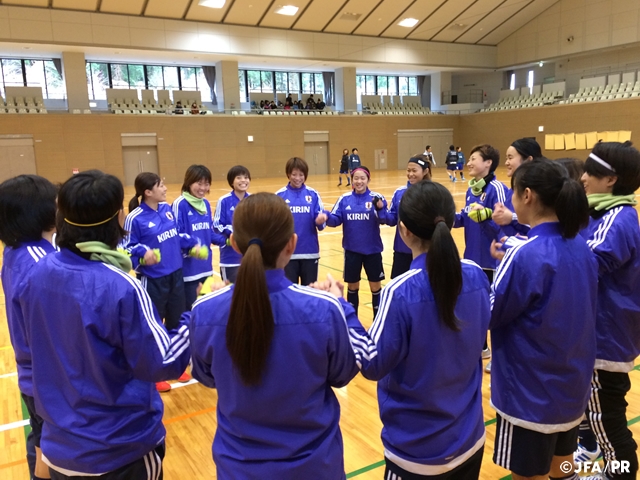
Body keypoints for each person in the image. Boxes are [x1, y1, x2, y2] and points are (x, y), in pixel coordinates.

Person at [17, 170, 190, 479]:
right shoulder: (120, 287)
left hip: (61, 449)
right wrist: (196, 318)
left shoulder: (37, 273)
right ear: (118, 219)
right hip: (119, 450)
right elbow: (163, 362)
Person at [190, 192, 361, 479]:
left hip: (239, 468)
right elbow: (343, 374)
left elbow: (206, 377)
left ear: (234, 245)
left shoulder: (205, 312)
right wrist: (342, 307)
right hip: (315, 467)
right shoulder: (325, 309)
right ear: (291, 244)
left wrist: (210, 306)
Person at [352, 180, 491, 479]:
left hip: (417, 449)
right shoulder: (476, 275)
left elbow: (372, 364)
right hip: (470, 439)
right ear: (452, 222)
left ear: (404, 231)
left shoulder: (400, 291)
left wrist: (345, 313)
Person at [490, 159, 597, 480]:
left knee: (529, 475)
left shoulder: (524, 255)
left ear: (527, 196)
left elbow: (492, 312)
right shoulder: (582, 246)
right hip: (571, 386)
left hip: (529, 396)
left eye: (513, 193)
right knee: (562, 468)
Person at [577, 141, 640, 480]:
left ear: (611, 179)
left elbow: (588, 261)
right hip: (604, 333)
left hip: (606, 338)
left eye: (590, 172)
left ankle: (620, 475)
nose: (583, 178)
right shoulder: (606, 211)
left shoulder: (618, 218)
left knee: (608, 423)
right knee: (600, 415)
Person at [0, 175, 57, 480]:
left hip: (32, 376)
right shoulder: (41, 262)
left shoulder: (15, 251)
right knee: (53, 450)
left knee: (39, 442)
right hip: (48, 378)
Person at [123, 172, 201, 392]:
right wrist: (142, 253)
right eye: (160, 185)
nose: (165, 188)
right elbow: (125, 248)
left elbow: (176, 235)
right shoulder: (135, 217)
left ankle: (174, 366)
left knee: (176, 322)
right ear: (148, 192)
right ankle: (155, 372)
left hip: (176, 275)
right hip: (153, 279)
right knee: (154, 326)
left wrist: (192, 243)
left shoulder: (167, 210)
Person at [325, 166, 387, 317]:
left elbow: (386, 219)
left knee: (375, 287)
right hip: (352, 252)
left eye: (362, 178)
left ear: (368, 179)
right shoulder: (344, 199)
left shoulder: (376, 197)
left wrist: (380, 209)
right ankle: (353, 322)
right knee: (352, 286)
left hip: (373, 251)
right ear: (351, 180)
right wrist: (325, 216)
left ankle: (377, 320)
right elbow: (335, 220)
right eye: (356, 178)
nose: (359, 181)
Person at [172, 165, 219, 310]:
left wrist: (230, 241)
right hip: (188, 272)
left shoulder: (205, 203)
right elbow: (174, 236)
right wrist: (192, 248)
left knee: (206, 309)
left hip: (206, 268)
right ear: (189, 182)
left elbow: (209, 233)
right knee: (191, 312)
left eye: (206, 183)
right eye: (199, 183)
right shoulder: (180, 204)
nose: (203, 188)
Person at [276, 157, 326, 285]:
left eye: (301, 175)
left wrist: (320, 220)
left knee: (309, 293)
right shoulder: (279, 196)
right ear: (288, 174)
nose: (297, 178)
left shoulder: (313, 194)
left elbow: (321, 222)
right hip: (287, 254)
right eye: (294, 174)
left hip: (310, 252)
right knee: (289, 294)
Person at [386, 155, 432, 278]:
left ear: (425, 171)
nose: (410, 174)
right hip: (402, 250)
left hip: (426, 252)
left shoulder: (433, 193)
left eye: (414, 170)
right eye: (408, 170)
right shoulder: (399, 193)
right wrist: (380, 211)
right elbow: (392, 219)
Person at [492, 138, 542, 234]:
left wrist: (512, 218)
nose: (506, 162)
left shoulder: (538, 192)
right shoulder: (512, 190)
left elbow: (542, 228)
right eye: (506, 158)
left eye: (510, 158)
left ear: (528, 160)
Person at [213, 165, 251, 283]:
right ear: (231, 181)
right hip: (230, 258)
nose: (243, 180)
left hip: (250, 257)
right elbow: (217, 224)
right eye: (239, 178)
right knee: (230, 296)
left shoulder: (253, 199)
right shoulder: (224, 200)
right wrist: (233, 233)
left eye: (246, 177)